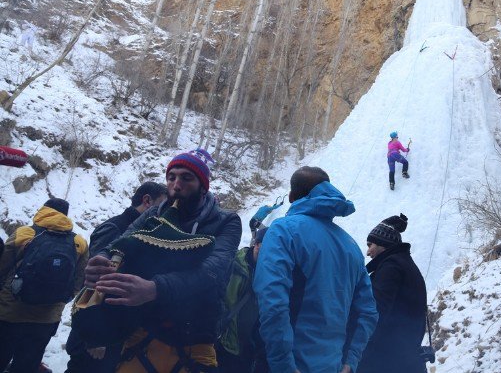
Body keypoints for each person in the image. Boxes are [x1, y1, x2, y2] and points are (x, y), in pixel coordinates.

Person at [84, 148, 242, 373]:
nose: (176, 185)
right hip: (144, 330)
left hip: (194, 337)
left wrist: (155, 288)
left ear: (203, 185)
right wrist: (102, 259)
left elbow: (213, 272)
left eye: (186, 178)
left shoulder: (227, 221)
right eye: (171, 177)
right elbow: (119, 243)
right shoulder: (154, 214)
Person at [253, 166, 378, 373]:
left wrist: (283, 366)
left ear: (292, 196)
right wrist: (351, 362)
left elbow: (272, 300)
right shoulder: (351, 246)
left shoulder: (282, 230)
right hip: (333, 366)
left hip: (288, 364)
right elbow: (368, 312)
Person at [65, 181, 168, 373]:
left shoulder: (140, 233)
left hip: (113, 329)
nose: (165, 212)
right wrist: (95, 336)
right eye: (162, 204)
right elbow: (94, 283)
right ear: (147, 201)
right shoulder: (116, 227)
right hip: (96, 332)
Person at [0, 198, 89, 373]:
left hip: (10, 313)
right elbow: (80, 280)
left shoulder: (24, 233)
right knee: (26, 366)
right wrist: (61, 301)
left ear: (43, 210)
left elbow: (2, 267)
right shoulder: (79, 242)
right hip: (47, 318)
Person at [357, 213, 427, 373]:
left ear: (383, 243)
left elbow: (375, 313)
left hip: (386, 359)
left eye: (370, 245)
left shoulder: (391, 268)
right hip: (405, 356)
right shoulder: (406, 264)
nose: (368, 252)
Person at [217, 226, 270, 373]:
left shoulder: (272, 274)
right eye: (263, 246)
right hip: (224, 343)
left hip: (250, 349)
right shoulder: (233, 264)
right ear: (256, 244)